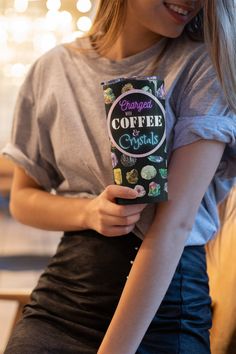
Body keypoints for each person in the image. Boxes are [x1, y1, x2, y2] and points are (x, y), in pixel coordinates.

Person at [2, 0, 236, 353]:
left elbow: (175, 225)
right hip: (65, 299)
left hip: (164, 308)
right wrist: (88, 212)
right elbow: (22, 198)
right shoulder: (52, 70)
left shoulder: (203, 66)